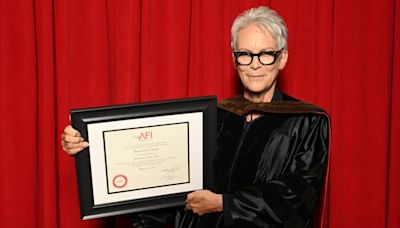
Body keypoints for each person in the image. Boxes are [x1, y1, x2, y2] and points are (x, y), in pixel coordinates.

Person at [61, 6, 330, 228]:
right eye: (245, 54)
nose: (255, 64)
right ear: (234, 60)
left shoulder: (307, 122)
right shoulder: (216, 118)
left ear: (282, 59)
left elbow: (297, 196)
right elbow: (165, 176)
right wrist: (91, 147)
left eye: (266, 55)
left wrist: (226, 204)